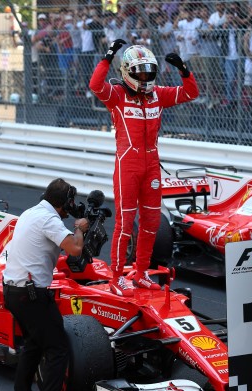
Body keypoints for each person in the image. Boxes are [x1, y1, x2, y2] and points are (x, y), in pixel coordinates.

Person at [89, 39, 198, 296]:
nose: (144, 76)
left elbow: (190, 93)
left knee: (150, 221)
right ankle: (117, 277)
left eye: (149, 71)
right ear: (126, 72)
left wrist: (184, 70)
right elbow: (95, 85)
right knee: (125, 223)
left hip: (151, 166)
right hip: (127, 164)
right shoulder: (115, 96)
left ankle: (140, 272)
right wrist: (107, 58)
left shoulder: (158, 94)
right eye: (139, 71)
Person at [2, 178, 89, 391]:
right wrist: (80, 228)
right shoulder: (49, 220)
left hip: (13, 291)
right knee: (57, 349)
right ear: (65, 203)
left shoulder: (31, 212)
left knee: (33, 344)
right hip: (31, 295)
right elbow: (74, 248)